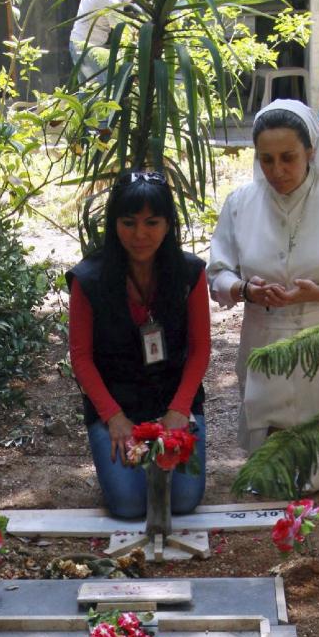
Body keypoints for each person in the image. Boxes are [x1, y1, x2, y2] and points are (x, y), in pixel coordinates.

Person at [208, 99, 319, 487]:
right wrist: (246, 289)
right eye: (266, 160)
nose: (277, 171)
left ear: (311, 152)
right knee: (272, 468)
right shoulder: (241, 203)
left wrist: (317, 293)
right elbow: (217, 273)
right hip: (264, 332)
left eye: (288, 158)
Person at [67, 171, 210, 520]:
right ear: (114, 223)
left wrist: (178, 411)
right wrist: (114, 418)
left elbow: (200, 348)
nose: (140, 234)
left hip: (174, 402)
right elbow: (81, 358)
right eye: (128, 222)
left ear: (168, 224)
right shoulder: (89, 280)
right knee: (129, 505)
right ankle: (113, 456)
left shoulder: (190, 273)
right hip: (117, 405)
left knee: (183, 501)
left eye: (152, 222)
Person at [69, 0, 124, 81]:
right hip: (90, 49)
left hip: (76, 43)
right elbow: (120, 26)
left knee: (86, 93)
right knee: (101, 93)